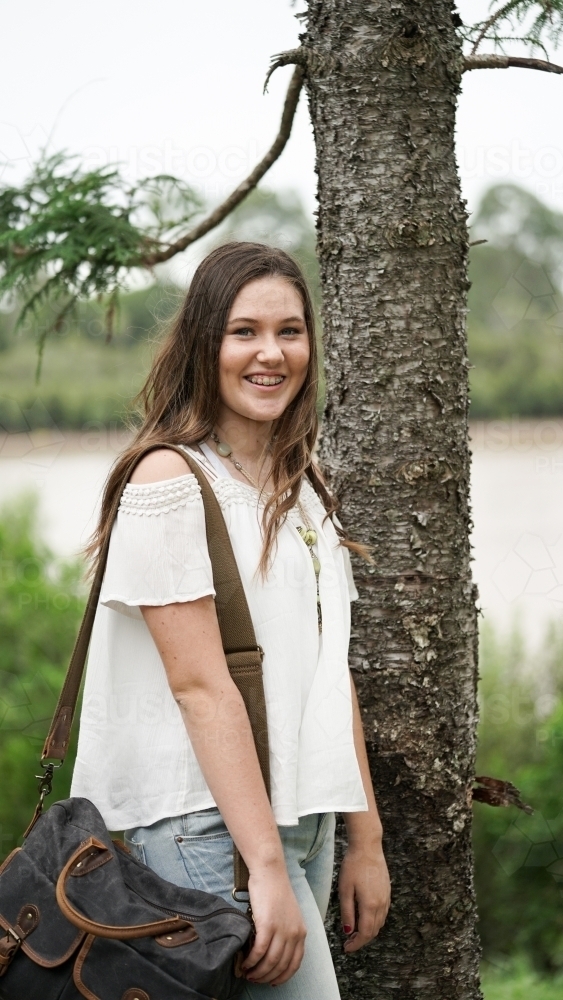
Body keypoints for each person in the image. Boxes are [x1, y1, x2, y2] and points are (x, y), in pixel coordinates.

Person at [71, 242, 390, 997]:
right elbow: (200, 689)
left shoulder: (298, 483)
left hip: (299, 818)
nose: (270, 353)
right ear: (203, 344)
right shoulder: (169, 479)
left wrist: (363, 838)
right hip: (204, 829)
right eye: (243, 331)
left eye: (290, 330)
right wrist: (265, 870)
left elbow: (326, 669)